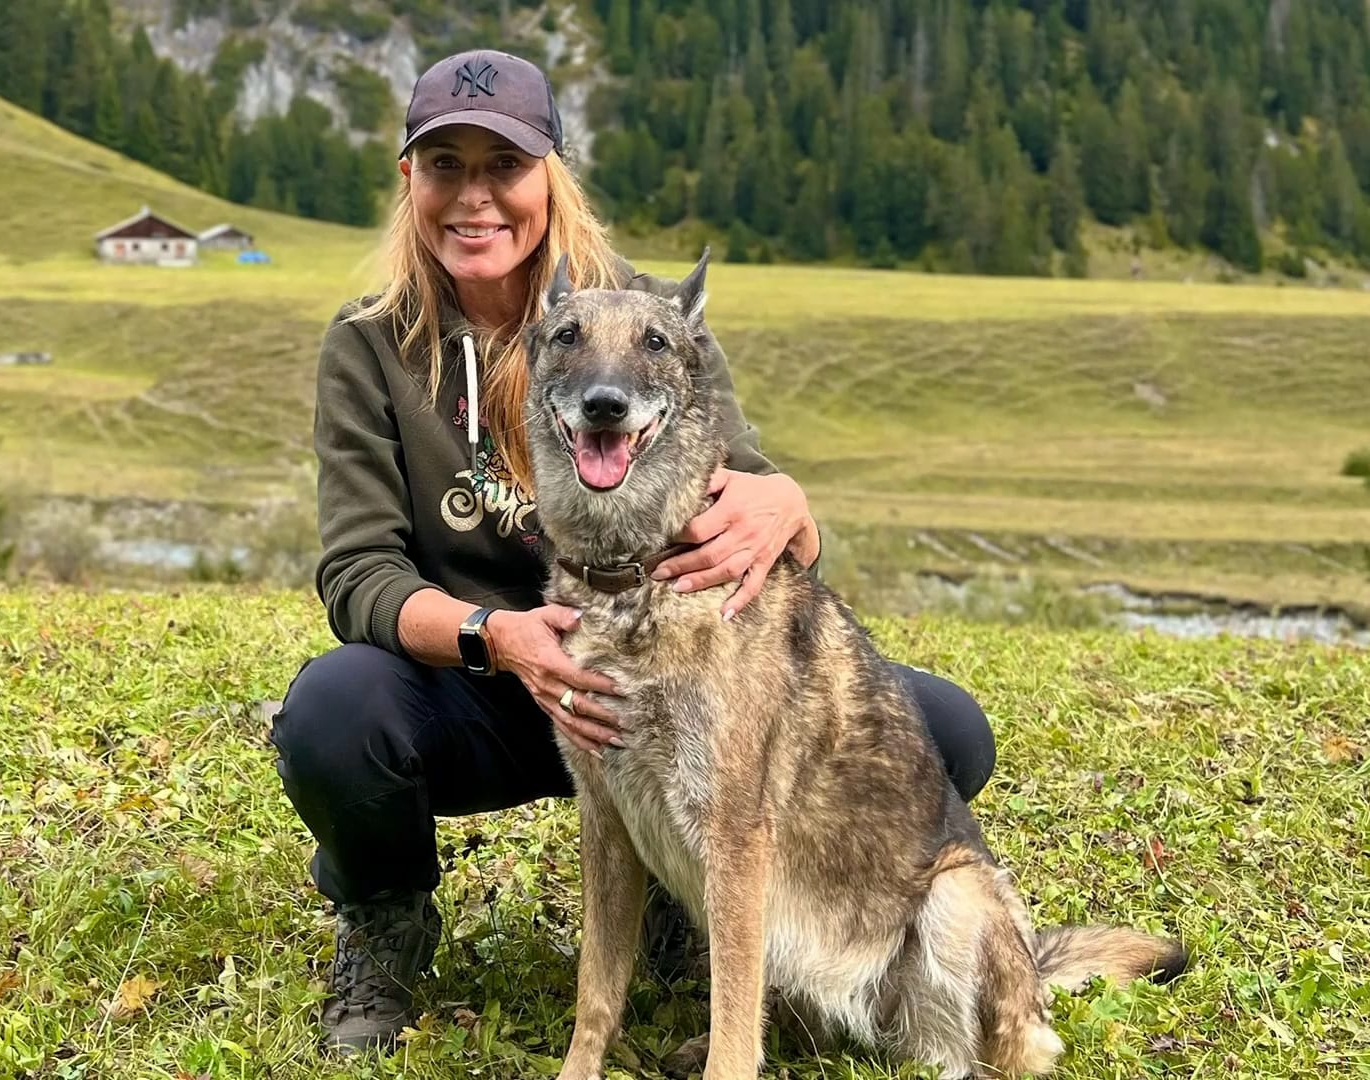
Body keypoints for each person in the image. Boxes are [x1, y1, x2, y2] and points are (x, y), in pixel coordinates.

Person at [268, 47, 998, 1055]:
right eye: (446, 167)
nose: (475, 198)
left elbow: (754, 507)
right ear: (410, 182)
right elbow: (359, 577)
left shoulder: (652, 324)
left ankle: (679, 903)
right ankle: (387, 923)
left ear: (550, 178)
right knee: (332, 713)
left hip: (661, 683)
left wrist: (791, 503)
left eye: (504, 168)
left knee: (941, 730)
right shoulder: (368, 346)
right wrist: (502, 637)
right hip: (480, 684)